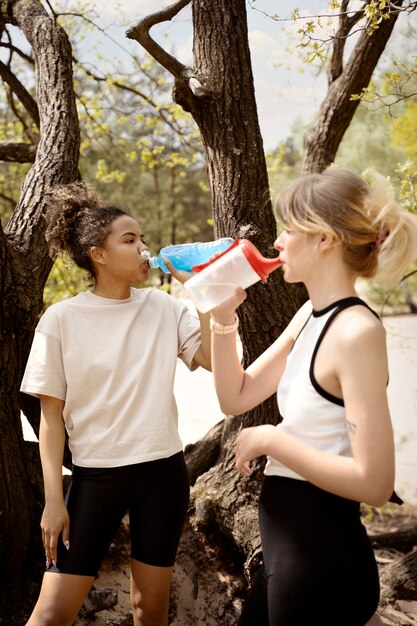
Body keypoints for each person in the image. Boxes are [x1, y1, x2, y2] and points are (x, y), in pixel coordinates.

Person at [209, 167, 417, 626]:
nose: (277, 242)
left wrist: (270, 439)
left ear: (324, 239)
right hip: (286, 555)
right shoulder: (308, 315)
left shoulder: (357, 331)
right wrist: (222, 317)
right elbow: (235, 394)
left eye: (288, 228)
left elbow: (374, 482)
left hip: (320, 564)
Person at [20, 181, 211, 626]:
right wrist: (54, 500)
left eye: (143, 238)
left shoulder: (166, 309)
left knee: (151, 609)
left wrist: (201, 290)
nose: (144, 248)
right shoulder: (61, 320)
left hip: (164, 474)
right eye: (130, 240)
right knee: (50, 614)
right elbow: (50, 421)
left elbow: (209, 360)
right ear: (98, 254)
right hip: (96, 478)